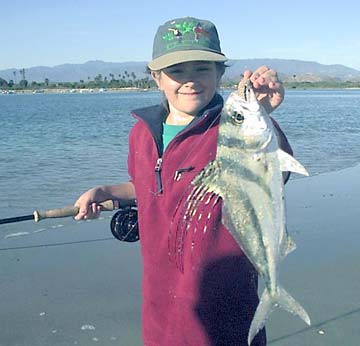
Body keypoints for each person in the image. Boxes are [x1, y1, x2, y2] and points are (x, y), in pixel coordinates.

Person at [75, 17, 292, 346]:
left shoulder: (230, 131)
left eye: (202, 69)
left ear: (220, 74)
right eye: (177, 71)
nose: (190, 81)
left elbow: (271, 171)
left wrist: (264, 115)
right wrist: (107, 192)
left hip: (226, 315)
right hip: (161, 311)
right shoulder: (142, 134)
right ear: (157, 78)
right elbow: (152, 188)